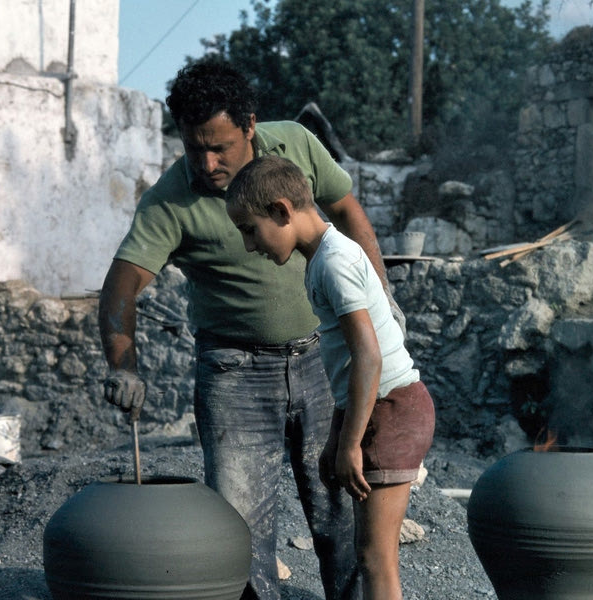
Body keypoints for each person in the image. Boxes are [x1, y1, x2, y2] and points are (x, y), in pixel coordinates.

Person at [98, 60, 400, 600]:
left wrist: (380, 295)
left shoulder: (298, 148)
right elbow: (120, 288)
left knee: (342, 514)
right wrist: (124, 367)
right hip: (234, 375)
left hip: (320, 363)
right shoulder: (169, 202)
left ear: (251, 127)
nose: (207, 162)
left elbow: (349, 212)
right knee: (239, 536)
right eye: (194, 148)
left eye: (220, 147)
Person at [224, 155, 436, 600]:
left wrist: (352, 443)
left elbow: (368, 359)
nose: (249, 245)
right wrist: (336, 440)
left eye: (250, 229)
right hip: (384, 407)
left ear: (282, 211)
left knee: (376, 560)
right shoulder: (325, 256)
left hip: (393, 409)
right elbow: (346, 370)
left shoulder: (333, 263)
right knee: (369, 555)